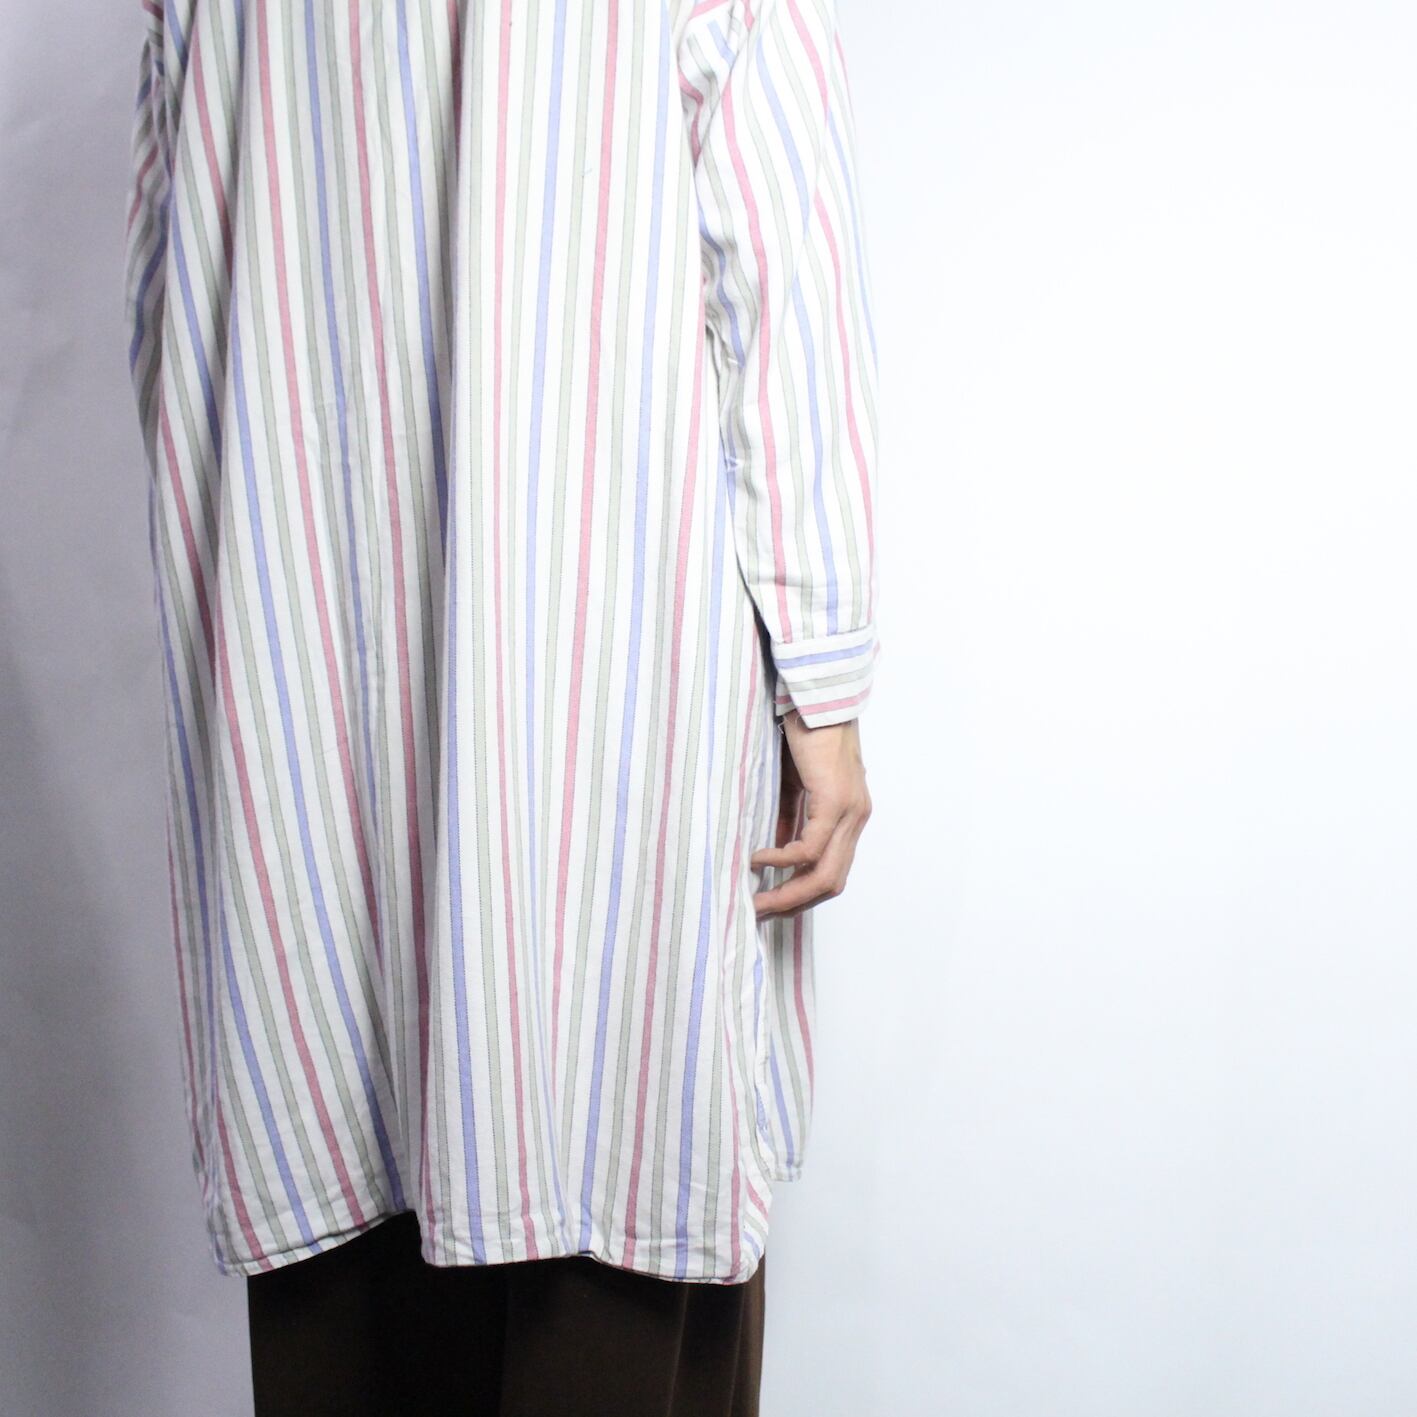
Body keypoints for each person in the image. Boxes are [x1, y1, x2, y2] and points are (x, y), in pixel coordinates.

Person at [121, 0, 880, 1410]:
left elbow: (170, 281)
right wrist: (821, 676)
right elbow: (781, 269)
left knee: (345, 1175)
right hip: (609, 679)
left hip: (306, 679)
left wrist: (249, 607)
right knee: (613, 1133)